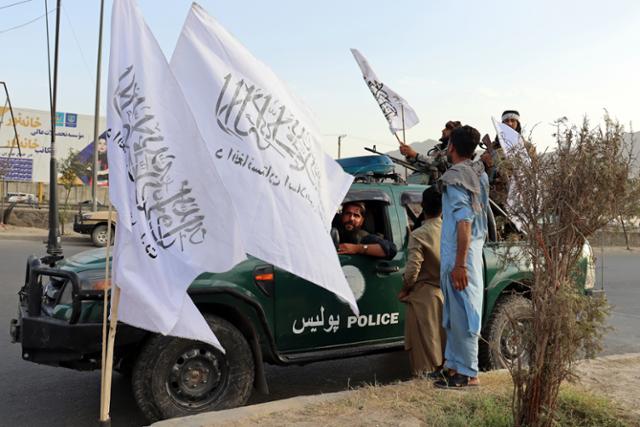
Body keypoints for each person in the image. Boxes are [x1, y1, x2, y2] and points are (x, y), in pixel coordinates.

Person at [435, 125, 489, 389]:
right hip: (465, 252)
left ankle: (468, 373)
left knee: (466, 314)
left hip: (462, 255)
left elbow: (464, 222)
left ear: (451, 147)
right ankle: (453, 366)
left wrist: (459, 264)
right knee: (454, 313)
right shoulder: (478, 174)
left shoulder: (456, 176)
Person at [399, 186, 445, 377]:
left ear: (423, 207)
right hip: (444, 294)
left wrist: (405, 288)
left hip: (423, 297)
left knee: (424, 345)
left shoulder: (419, 234)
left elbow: (412, 271)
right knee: (441, 343)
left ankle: (425, 379)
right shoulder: (450, 230)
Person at [480, 110, 521, 207]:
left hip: (516, 199)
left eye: (513, 121)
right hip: (494, 198)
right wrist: (486, 162)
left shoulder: (526, 147)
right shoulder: (493, 147)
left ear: (518, 124)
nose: (509, 123)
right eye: (506, 121)